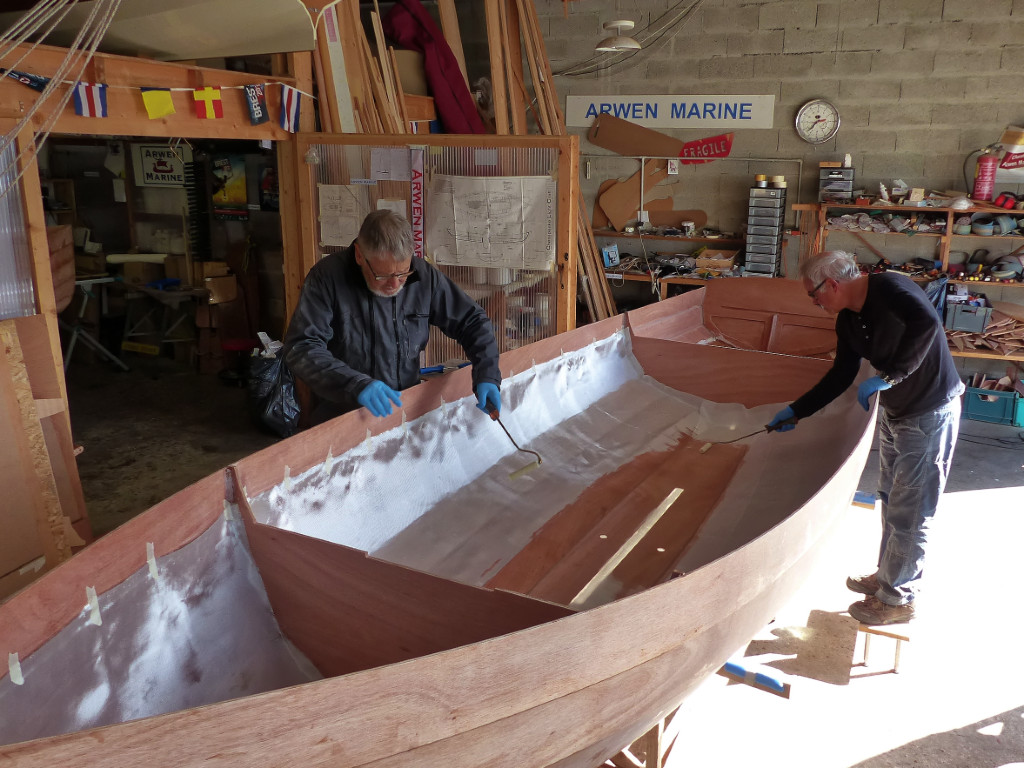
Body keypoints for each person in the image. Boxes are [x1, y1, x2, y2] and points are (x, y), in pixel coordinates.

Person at [768, 250, 963, 625]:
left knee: (912, 510)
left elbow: (926, 323)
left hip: (929, 411)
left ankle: (898, 599)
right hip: (897, 413)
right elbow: (842, 374)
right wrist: (798, 410)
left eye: (814, 294)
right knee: (891, 500)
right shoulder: (847, 320)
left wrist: (891, 375)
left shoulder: (890, 286)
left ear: (833, 284)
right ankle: (887, 577)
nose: (814, 302)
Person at [284, 209, 501, 424]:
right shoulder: (327, 278)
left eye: (402, 273)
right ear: (360, 255)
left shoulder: (422, 276)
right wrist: (354, 384)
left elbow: (472, 321)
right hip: (344, 415)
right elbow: (302, 347)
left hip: (403, 411)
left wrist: (487, 374)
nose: (395, 284)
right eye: (383, 275)